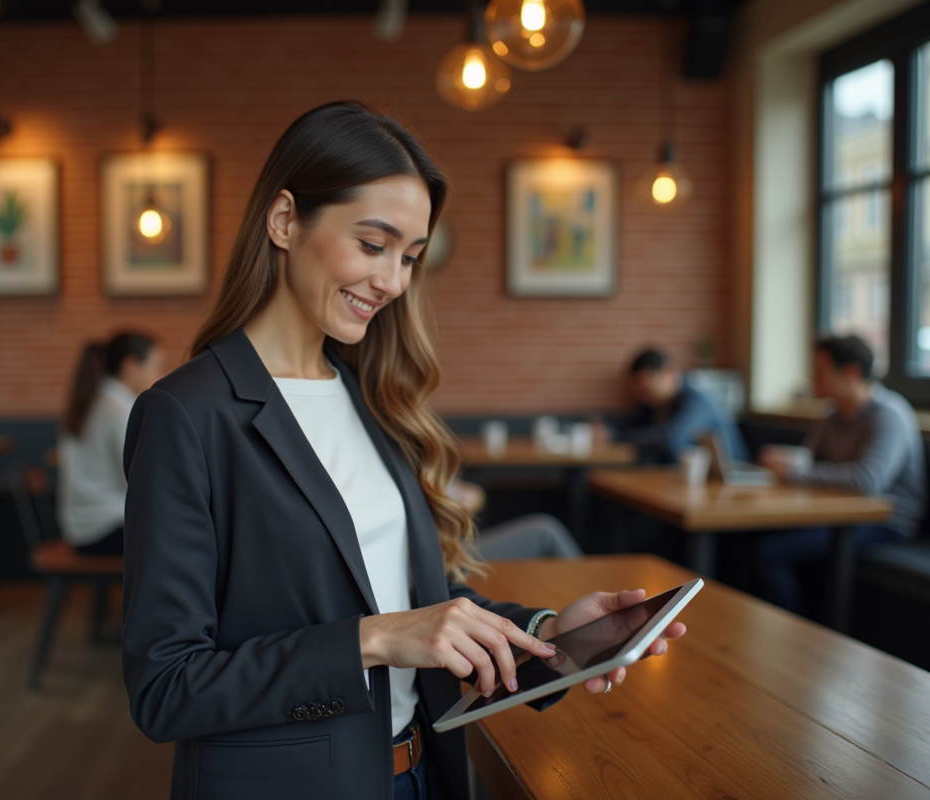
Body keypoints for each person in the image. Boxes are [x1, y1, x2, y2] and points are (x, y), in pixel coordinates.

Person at [120, 102, 685, 800]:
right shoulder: (186, 415)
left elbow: (413, 606)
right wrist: (372, 640)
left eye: (410, 257)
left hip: (422, 775)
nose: (393, 281)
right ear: (285, 220)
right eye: (373, 244)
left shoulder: (369, 394)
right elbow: (166, 686)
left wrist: (548, 637)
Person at [754, 334, 926, 613]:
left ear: (850, 373)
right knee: (750, 537)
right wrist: (783, 457)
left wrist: (795, 471)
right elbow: (809, 457)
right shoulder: (832, 412)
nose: (812, 377)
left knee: (771, 552)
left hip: (886, 522)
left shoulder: (889, 414)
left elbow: (867, 480)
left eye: (820, 370)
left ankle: (786, 638)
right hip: (835, 513)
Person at [58, 332, 165, 555]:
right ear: (131, 365)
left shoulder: (94, 399)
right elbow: (138, 479)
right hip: (103, 529)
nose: (161, 375)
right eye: (157, 366)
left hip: (81, 526)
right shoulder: (119, 411)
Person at [594, 347, 749, 464]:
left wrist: (615, 437)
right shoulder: (655, 402)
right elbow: (631, 423)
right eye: (639, 391)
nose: (643, 396)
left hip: (733, 478)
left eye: (647, 389)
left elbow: (671, 438)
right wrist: (608, 429)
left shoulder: (696, 400)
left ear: (668, 372)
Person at [449, 480, 583, 561]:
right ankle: (597, 602)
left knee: (545, 529)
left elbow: (474, 493)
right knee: (545, 533)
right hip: (446, 555)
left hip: (451, 545)